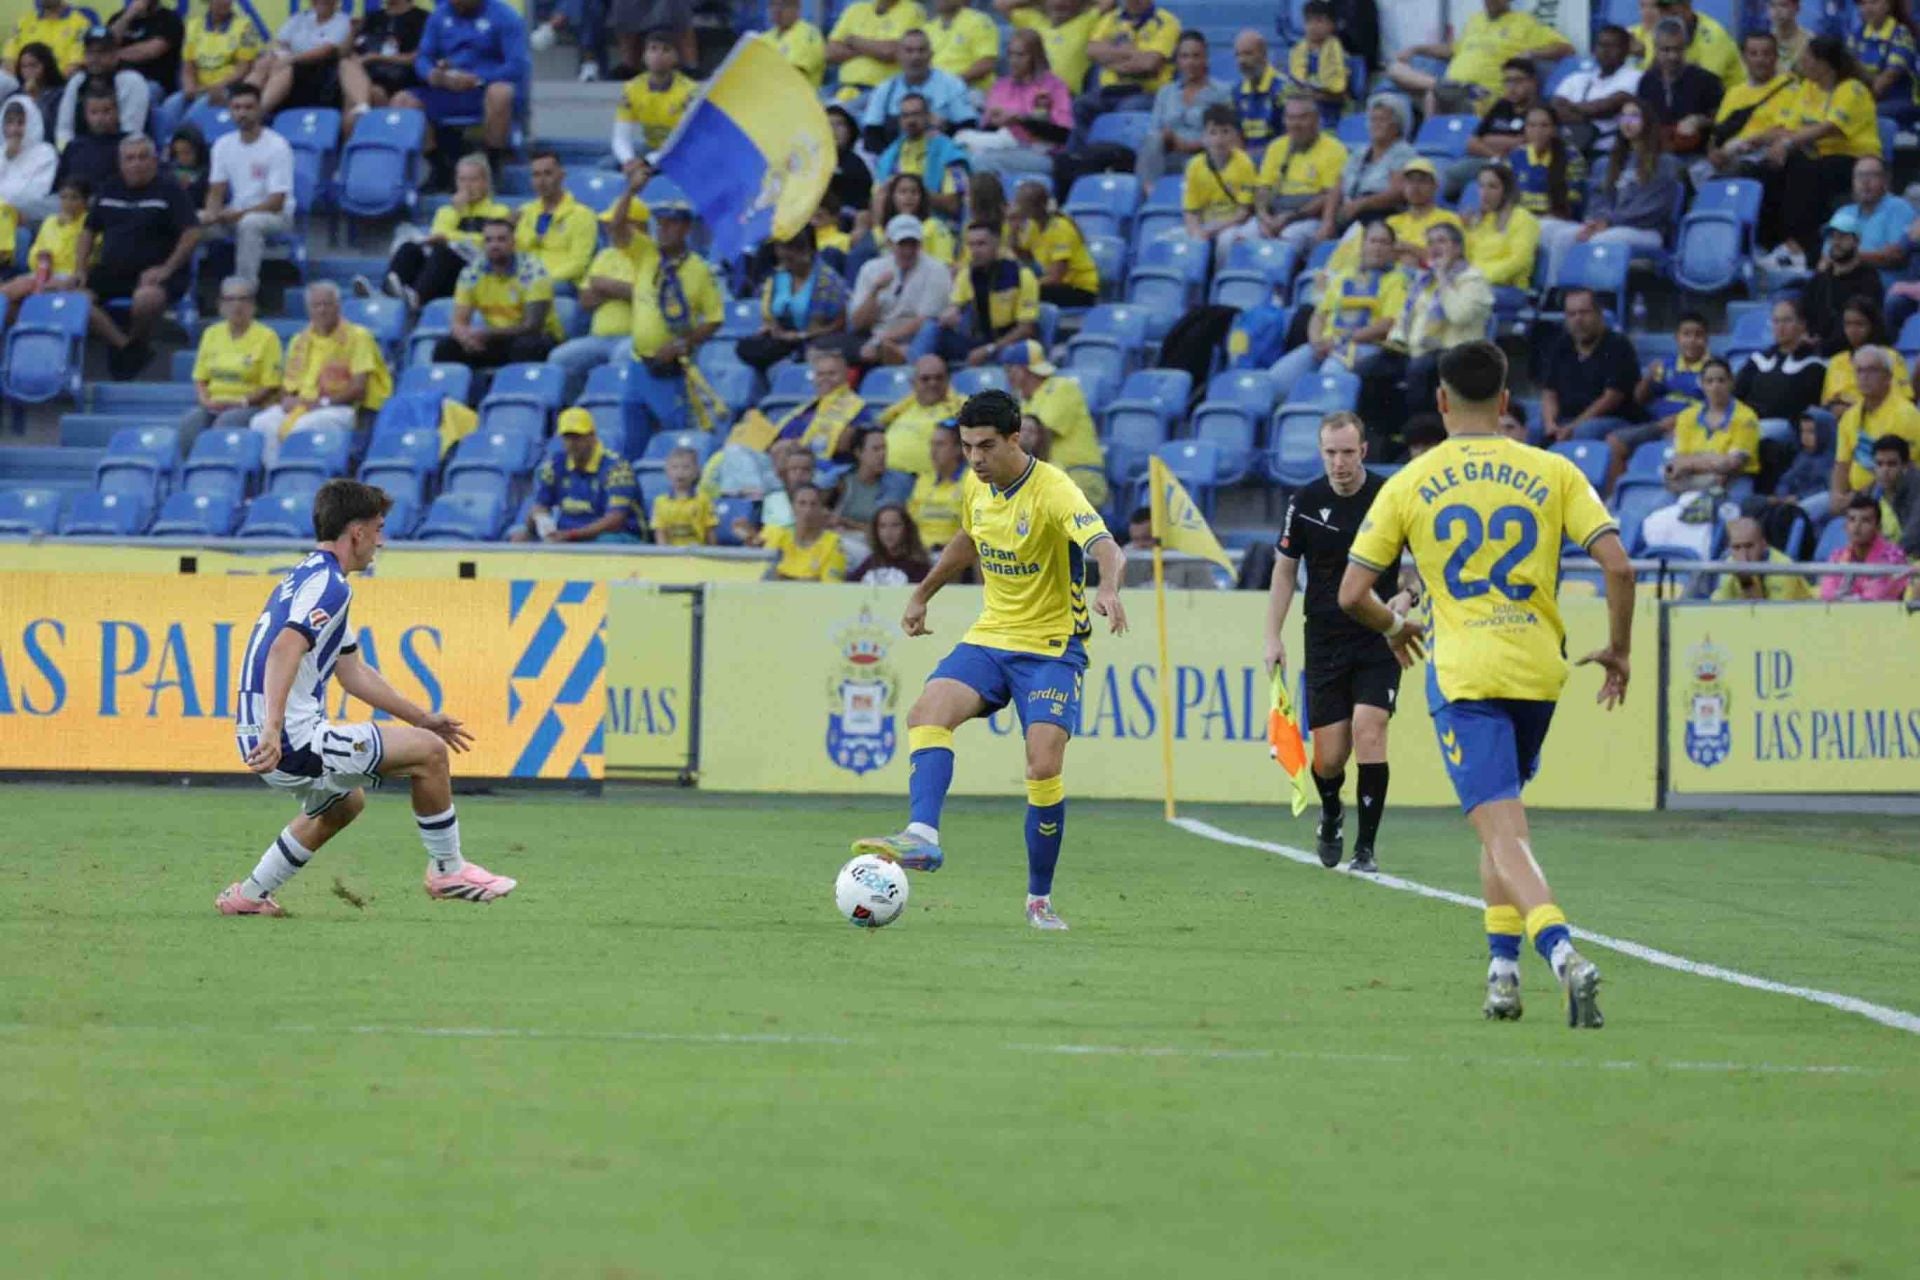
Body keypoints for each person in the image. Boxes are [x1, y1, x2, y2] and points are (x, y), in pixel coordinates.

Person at [1342, 339, 1631, 1027]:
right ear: (1506, 402)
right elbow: (1619, 567)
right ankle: (1502, 973)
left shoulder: (1410, 481)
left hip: (1466, 671)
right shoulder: (1553, 469)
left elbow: (1353, 591)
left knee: (1502, 832)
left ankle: (1563, 954)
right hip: (1539, 670)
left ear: (1441, 401)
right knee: (1505, 822)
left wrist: (1392, 626)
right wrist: (1619, 649)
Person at [852, 389, 1127, 932]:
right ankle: (923, 838)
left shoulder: (1054, 490)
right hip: (991, 637)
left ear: (1015, 438)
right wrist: (922, 593)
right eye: (966, 446)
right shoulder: (976, 488)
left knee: (1043, 765)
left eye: (985, 446)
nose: (974, 458)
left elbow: (1107, 547)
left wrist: (1110, 589)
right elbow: (967, 540)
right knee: (927, 712)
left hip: (1051, 647)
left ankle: (1038, 899)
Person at [220, 479, 517, 916]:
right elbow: (285, 646)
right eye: (378, 528)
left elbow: (353, 672)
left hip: (261, 738)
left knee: (345, 803)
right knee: (430, 755)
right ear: (356, 532)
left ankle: (250, 895)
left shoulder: (307, 577)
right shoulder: (331, 587)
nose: (382, 540)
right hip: (288, 742)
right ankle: (447, 870)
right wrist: (274, 726)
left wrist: (421, 717)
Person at [1264, 410, 1409, 873]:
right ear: (1321, 452)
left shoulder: (1391, 497)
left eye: (1348, 452)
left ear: (1363, 451)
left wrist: (1408, 595)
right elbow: (1285, 571)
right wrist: (1272, 636)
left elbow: (1420, 561)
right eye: (1331, 453)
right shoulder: (1304, 501)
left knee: (1371, 730)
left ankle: (1366, 850)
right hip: (1324, 638)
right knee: (1328, 759)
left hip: (1378, 634)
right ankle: (1331, 813)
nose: (1340, 462)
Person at [1354, 222, 1491, 452]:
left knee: (1420, 369)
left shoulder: (1473, 280)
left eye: (1442, 241)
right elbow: (1406, 318)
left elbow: (1458, 316)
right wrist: (1396, 341)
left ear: (1457, 248)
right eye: (1431, 242)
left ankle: (1417, 437)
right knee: (1369, 368)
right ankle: (1379, 442)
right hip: (1418, 351)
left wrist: (1444, 279)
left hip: (1459, 355)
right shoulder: (1424, 281)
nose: (1434, 247)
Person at [79, 132, 197, 378]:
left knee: (146, 299)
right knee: (76, 301)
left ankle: (134, 344)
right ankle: (127, 348)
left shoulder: (170, 190)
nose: (137, 163)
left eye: (143, 157)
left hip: (156, 273)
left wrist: (166, 269)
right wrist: (80, 269)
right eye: (130, 158)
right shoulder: (109, 188)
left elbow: (192, 234)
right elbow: (88, 231)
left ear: (154, 161)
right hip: (111, 272)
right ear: (121, 163)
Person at [1756, 37, 1879, 272]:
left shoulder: (1852, 89)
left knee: (1805, 171)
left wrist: (1789, 143)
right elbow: (1789, 127)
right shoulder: (1807, 88)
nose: (1801, 62)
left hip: (1856, 161)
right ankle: (1773, 243)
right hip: (1816, 156)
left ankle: (1801, 249)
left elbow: (1829, 127)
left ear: (1824, 64)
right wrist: (1780, 145)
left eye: (1807, 58)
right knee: (1770, 169)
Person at [1538, 99, 1680, 290]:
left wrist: (1608, 222)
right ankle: (1555, 296)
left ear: (1648, 121)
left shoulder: (1664, 163)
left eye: (1634, 116)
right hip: (1608, 226)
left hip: (1646, 230)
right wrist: (1595, 221)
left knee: (1600, 240)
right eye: (1623, 116)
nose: (1627, 121)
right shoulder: (1608, 163)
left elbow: (1651, 209)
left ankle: (1593, 297)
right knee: (1563, 237)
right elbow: (1598, 199)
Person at [249, 280, 391, 464]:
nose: (322, 310)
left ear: (338, 306)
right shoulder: (299, 340)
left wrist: (320, 403)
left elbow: (358, 389)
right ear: (308, 309)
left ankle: (302, 476)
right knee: (261, 422)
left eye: (327, 304)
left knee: (302, 427)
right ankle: (278, 475)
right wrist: (288, 401)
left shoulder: (358, 337)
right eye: (316, 305)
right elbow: (287, 385)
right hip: (304, 405)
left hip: (338, 408)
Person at [1268, 220, 1406, 402]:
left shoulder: (1397, 280)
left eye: (1384, 242)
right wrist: (1317, 342)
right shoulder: (1343, 276)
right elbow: (1319, 315)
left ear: (1392, 250)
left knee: (1329, 373)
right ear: (1363, 245)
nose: (1377, 247)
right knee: (1276, 380)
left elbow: (1387, 324)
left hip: (1366, 345)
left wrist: (1342, 340)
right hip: (1327, 344)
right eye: (1373, 241)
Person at [620, 192, 722, 437]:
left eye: (671, 223)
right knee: (633, 436)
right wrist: (630, 191)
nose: (663, 230)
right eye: (660, 223)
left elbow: (714, 318)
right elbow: (616, 228)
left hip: (671, 367)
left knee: (678, 434)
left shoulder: (699, 269)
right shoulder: (646, 253)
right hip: (638, 363)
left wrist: (682, 344)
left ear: (686, 227)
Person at [365, 153, 509, 311]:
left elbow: (487, 241)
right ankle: (386, 294)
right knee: (409, 248)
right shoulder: (447, 211)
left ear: (485, 183)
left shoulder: (499, 212)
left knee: (444, 252)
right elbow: (438, 233)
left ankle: (417, 296)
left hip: (471, 274)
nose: (467, 186)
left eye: (473, 180)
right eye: (462, 180)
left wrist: (450, 237)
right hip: (440, 272)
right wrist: (457, 211)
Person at [1385, 0, 1572, 117]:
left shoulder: (1524, 23)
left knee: (1432, 96)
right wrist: (1417, 49)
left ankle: (1440, 89)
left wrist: (1532, 53)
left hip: (1480, 96)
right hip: (1452, 88)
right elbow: (1452, 51)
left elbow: (1566, 48)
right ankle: (1439, 86)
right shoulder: (1475, 20)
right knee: (1395, 69)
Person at [405, 0, 528, 175]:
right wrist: (433, 75)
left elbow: (517, 65)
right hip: (446, 88)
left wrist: (478, 79)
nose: (457, 3)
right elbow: (423, 58)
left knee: (501, 93)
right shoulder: (439, 15)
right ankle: (438, 166)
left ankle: (493, 164)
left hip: (482, 89)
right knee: (403, 101)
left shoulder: (506, 16)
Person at [433, 218, 559, 373]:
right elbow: (459, 322)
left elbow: (532, 326)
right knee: (447, 347)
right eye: (489, 240)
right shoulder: (472, 273)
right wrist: (465, 338)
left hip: (537, 338)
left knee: (526, 346)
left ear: (513, 242)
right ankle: (452, 396)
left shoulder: (533, 271)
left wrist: (488, 333)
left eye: (501, 239)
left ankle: (515, 394)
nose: (494, 245)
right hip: (495, 338)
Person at [198, 83, 294, 286]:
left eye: (248, 107)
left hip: (276, 216)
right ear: (230, 110)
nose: (242, 113)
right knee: (191, 221)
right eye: (237, 107)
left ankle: (244, 288)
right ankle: (183, 290)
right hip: (237, 212)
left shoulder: (277, 145)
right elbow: (216, 190)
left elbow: (276, 202)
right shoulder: (223, 145)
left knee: (250, 224)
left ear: (259, 109)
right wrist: (211, 214)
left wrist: (239, 213)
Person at [914, 219, 1038, 366]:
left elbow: (1027, 329)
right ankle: (915, 376)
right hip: (977, 343)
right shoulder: (967, 275)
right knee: (931, 328)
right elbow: (955, 306)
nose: (975, 251)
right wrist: (949, 315)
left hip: (1008, 346)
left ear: (997, 244)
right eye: (971, 245)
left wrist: (990, 349)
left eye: (981, 244)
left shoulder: (1022, 276)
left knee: (1013, 353)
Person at [546, 209, 642, 398]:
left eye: (615, 224)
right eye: (608, 226)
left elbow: (648, 297)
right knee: (560, 358)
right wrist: (622, 290)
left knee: (622, 356)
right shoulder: (605, 255)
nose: (609, 230)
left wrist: (606, 286)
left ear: (637, 226)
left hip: (635, 337)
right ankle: (573, 414)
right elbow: (585, 300)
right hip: (598, 338)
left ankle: (614, 414)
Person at [1000, 338, 1105, 504]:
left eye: (1009, 369)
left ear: (1022, 370)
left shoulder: (1061, 387)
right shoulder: (1027, 402)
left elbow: (1037, 436)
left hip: (1079, 474)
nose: (1007, 376)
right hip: (1053, 477)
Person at [954, 28, 1071, 176]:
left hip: (1041, 153)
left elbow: (1062, 134)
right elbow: (988, 130)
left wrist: (1020, 119)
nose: (1014, 61)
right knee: (957, 152)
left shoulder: (1055, 86)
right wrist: (995, 121)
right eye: (1011, 55)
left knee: (981, 161)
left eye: (1021, 55)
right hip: (1002, 146)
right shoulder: (1000, 86)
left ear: (1036, 57)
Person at [180, 275, 282, 444]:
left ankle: (220, 468)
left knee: (226, 422)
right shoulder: (211, 334)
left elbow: (270, 386)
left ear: (252, 305)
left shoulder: (267, 337)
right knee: (190, 422)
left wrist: (240, 402)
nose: (236, 305)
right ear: (221, 305)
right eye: (230, 299)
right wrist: (206, 400)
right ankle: (192, 468)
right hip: (214, 403)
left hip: (249, 405)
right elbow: (201, 378)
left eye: (243, 299)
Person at [515, 408, 642, 543]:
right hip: (569, 534)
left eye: (577, 437)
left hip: (615, 536)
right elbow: (541, 504)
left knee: (608, 541)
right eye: (567, 437)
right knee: (518, 536)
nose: (571, 444)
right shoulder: (555, 464)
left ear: (592, 436)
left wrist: (572, 535)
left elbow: (615, 520)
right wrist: (539, 521)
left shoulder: (617, 468)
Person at [1829, 344, 1920, 523]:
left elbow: (1898, 471)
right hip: (1854, 499)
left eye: (1872, 371)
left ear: (1888, 377)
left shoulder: (1906, 415)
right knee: (1802, 513)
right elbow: (1841, 465)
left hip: (1895, 497)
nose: (1864, 377)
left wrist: (1855, 498)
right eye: (1860, 371)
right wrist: (1837, 496)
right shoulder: (1850, 416)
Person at [737, 227, 849, 373]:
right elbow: (773, 314)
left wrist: (801, 335)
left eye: (792, 251)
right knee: (746, 347)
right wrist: (773, 329)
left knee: (817, 348)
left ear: (809, 251)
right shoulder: (778, 277)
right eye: (780, 251)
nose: (785, 258)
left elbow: (840, 323)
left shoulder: (827, 281)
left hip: (815, 338)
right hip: (784, 339)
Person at [1328, 154, 1461, 274]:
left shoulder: (1449, 220)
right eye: (1410, 181)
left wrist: (1408, 248)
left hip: (1428, 281)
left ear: (1435, 186)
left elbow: (1451, 258)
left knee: (1408, 262)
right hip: (1387, 279)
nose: (1415, 186)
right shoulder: (1391, 222)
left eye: (1422, 180)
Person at [1541, 289, 1642, 445]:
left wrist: (1573, 426)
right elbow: (1549, 392)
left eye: (1584, 312)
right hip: (1567, 418)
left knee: (1584, 432)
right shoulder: (1561, 345)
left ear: (1599, 314)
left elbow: (1611, 399)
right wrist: (1550, 424)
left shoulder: (1618, 346)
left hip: (1612, 419)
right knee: (1534, 428)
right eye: (1571, 314)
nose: (1578, 319)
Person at [850, 213, 952, 366]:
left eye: (913, 244)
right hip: (875, 334)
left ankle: (904, 359)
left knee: (930, 329)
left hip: (915, 336)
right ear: (890, 243)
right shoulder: (871, 269)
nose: (908, 251)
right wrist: (874, 291)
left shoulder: (937, 270)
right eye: (902, 244)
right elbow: (858, 323)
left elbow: (923, 320)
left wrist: (881, 340)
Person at [1701, 29, 1800, 183]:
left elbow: (1788, 132)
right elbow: (1717, 132)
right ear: (1744, 58)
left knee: (1734, 173)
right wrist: (1715, 153)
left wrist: (1749, 142)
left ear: (1776, 57)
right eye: (1753, 54)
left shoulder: (1792, 89)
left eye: (1766, 54)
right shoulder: (1733, 92)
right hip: (1729, 154)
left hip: (1763, 156)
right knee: (1684, 177)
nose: (1760, 60)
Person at [1255, 92, 1348, 255]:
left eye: (1302, 118)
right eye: (1290, 118)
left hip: (1309, 218)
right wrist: (1264, 217)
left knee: (1288, 237)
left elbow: (1328, 196)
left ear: (1316, 119)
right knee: (1234, 238)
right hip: (1275, 214)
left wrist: (1288, 218)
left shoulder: (1334, 149)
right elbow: (1263, 189)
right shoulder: (1276, 147)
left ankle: (1281, 280)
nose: (1295, 124)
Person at [1073, 0, 1180, 136]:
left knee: (1127, 110)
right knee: (1082, 104)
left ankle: (1119, 155)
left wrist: (1110, 60)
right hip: (1110, 91)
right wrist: (1131, 53)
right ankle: (1081, 155)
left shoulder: (1167, 22)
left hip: (1146, 93)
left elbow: (1149, 64)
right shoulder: (1111, 18)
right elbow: (1092, 51)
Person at [1135, 30, 1227, 186]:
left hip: (1204, 157)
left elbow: (1226, 136)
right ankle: (1149, 196)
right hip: (1168, 157)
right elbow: (1155, 131)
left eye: (1196, 56)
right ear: (1177, 61)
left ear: (1205, 58)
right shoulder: (1165, 93)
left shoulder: (1222, 92)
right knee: (1152, 139)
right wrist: (1168, 140)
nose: (1190, 62)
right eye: (1184, 56)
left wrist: (1187, 144)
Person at [864, 26, 977, 148]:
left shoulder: (952, 84)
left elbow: (968, 128)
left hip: (941, 153)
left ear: (931, 55)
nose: (915, 57)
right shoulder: (885, 89)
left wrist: (946, 127)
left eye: (921, 50)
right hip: (895, 157)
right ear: (898, 55)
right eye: (909, 51)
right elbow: (871, 133)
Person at [1447, 56, 1539, 202]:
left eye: (1517, 80)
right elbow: (1472, 143)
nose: (1512, 86)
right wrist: (1496, 156)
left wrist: (1489, 140)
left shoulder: (1539, 110)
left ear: (1532, 82)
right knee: (1452, 173)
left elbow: (1525, 144)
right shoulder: (1501, 105)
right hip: (1491, 160)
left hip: (1518, 165)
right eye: (1507, 81)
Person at [1736, 297, 1828, 439]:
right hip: (1749, 424)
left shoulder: (1814, 366)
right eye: (1776, 321)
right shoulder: (1758, 360)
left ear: (1802, 325)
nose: (1780, 327)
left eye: (1787, 320)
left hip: (1787, 432)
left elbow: (1804, 409)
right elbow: (1736, 396)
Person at [869, 94, 970, 222]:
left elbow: (954, 205)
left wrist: (913, 192)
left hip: (938, 227)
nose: (911, 120)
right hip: (896, 229)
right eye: (905, 116)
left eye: (916, 114)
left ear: (928, 116)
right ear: (899, 120)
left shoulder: (949, 152)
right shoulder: (889, 157)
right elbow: (877, 203)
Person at [1329, 94, 1416, 243]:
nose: (1376, 124)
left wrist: (1361, 204)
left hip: (1380, 216)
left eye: (1382, 120)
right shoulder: (1359, 153)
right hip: (1348, 213)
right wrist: (1328, 222)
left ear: (1397, 126)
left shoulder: (1403, 152)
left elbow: (1397, 193)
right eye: (1373, 119)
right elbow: (1337, 189)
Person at [1, 173, 86, 320]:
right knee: (8, 298)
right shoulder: (50, 221)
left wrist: (69, 227)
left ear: (85, 201)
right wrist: (40, 258)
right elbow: (34, 254)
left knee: (24, 289)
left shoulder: (89, 223)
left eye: (74, 198)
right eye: (63, 197)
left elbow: (83, 256)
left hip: (69, 276)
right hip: (41, 273)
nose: (67, 203)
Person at [1638, 16, 1722, 159]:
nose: (1673, 56)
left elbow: (1723, 120)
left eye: (1678, 49)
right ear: (1655, 48)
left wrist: (1699, 120)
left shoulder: (1707, 80)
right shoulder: (1647, 82)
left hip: (1695, 156)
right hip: (1655, 154)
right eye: (1666, 50)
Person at [611, 30, 696, 171]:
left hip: (681, 153)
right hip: (650, 148)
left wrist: (647, 162)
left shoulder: (690, 92)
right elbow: (620, 136)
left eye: (666, 50)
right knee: (607, 165)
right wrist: (629, 161)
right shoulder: (632, 89)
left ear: (676, 58)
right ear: (644, 56)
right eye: (653, 49)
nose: (658, 55)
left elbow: (686, 142)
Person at [513, 149, 597, 290]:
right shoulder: (525, 212)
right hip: (525, 282)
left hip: (562, 284)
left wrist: (545, 281)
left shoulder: (583, 215)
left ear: (561, 176)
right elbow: (517, 251)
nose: (542, 181)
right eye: (536, 175)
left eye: (548, 173)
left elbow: (579, 263)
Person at [1800, 212, 1884, 353]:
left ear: (1856, 241)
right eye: (1832, 237)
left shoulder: (1869, 280)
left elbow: (1865, 327)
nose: (1836, 242)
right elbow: (1804, 314)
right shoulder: (1818, 280)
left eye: (1843, 236)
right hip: (1816, 354)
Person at [1550, 24, 1639, 156]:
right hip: (1572, 149)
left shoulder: (1634, 76)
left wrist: (1570, 107)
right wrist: (1586, 114)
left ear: (1625, 50)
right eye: (1601, 45)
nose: (1605, 50)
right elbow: (1555, 107)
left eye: (1611, 46)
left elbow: (1606, 107)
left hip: (1610, 152)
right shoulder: (1578, 78)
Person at [338, 0, 428, 131]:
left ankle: (367, 139)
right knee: (346, 66)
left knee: (371, 94)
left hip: (401, 79)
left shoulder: (422, 18)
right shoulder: (372, 17)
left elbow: (419, 57)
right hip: (368, 78)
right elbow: (344, 53)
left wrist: (376, 57)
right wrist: (352, 32)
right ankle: (361, 110)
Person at [247, 0, 348, 115]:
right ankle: (241, 102)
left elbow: (325, 51)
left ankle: (258, 112)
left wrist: (291, 59)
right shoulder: (300, 18)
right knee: (263, 64)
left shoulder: (342, 21)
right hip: (290, 60)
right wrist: (271, 55)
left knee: (285, 67)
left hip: (316, 69)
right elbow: (279, 43)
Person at [772, 344, 873, 459]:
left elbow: (848, 444)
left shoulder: (856, 406)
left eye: (832, 374)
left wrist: (794, 446)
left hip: (819, 467)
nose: (825, 378)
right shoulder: (807, 407)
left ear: (845, 375)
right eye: (820, 374)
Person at [1007, 179, 1097, 307]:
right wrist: (1013, 232)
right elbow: (1026, 257)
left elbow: (1055, 278)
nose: (1020, 209)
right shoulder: (1034, 225)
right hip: (1057, 286)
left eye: (1024, 205)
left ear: (1039, 206)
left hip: (1080, 289)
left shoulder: (1061, 228)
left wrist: (1025, 285)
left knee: (1023, 293)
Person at [54, 25, 147, 149]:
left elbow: (131, 133)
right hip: (80, 151)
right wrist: (68, 155)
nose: (95, 58)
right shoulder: (78, 81)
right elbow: (64, 129)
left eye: (102, 52)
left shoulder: (131, 81)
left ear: (115, 55)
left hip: (120, 153)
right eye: (90, 52)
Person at [1180, 103, 1258, 248]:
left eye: (1225, 132)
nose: (1219, 139)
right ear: (1204, 137)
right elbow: (1190, 211)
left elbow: (1243, 212)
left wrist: (1214, 229)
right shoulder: (1194, 165)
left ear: (1235, 135)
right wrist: (1195, 231)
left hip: (1233, 222)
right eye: (1213, 132)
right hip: (1206, 221)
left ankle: (1222, 271)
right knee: (1173, 240)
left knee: (1226, 240)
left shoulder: (1244, 163)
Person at [878, 353, 963, 478]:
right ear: (913, 383)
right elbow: (880, 421)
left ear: (948, 380)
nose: (933, 383)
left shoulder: (958, 406)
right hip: (882, 472)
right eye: (925, 379)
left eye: (939, 378)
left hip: (917, 478)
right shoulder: (905, 405)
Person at [741, 484, 849, 581]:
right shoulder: (775, 533)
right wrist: (748, 536)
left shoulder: (833, 543)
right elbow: (753, 548)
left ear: (821, 509)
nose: (808, 510)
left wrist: (782, 578)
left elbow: (829, 589)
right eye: (802, 503)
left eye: (813, 504)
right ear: (793, 508)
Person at [826, 0, 926, 104]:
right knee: (812, 108)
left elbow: (890, 51)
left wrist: (853, 41)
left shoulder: (912, 10)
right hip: (841, 87)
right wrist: (872, 49)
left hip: (878, 91)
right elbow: (829, 53)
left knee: (836, 114)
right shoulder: (855, 9)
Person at [1820, 297, 1908, 414]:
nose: (1852, 330)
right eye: (1848, 324)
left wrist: (1853, 410)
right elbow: (1827, 403)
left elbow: (1904, 400)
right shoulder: (1836, 361)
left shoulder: (1891, 357)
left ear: (1873, 325)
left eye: (1859, 324)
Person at [1464, 162, 1540, 296]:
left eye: (1492, 187)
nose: (1484, 193)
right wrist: (1465, 229)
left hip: (1511, 289)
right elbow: (1468, 256)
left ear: (1507, 190)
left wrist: (1481, 277)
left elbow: (1519, 261)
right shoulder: (1483, 220)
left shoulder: (1523, 219)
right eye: (1481, 186)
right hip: (1475, 283)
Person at [1628, 0, 1741, 89]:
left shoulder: (1713, 36)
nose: (1666, 15)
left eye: (1672, 11)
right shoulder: (1661, 30)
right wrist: (1640, 57)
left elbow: (1704, 84)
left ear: (1687, 6)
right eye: (1662, 9)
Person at [1820, 493, 1911, 600]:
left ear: (1878, 527)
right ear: (1845, 526)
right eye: (1852, 519)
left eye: (1865, 520)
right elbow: (1827, 594)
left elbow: (1877, 597)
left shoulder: (1894, 558)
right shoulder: (1837, 556)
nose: (1857, 526)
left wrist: (1843, 598)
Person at [1001, 0, 1096, 96]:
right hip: (1031, 94)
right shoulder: (1032, 21)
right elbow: (1001, 4)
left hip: (1067, 97)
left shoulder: (1086, 22)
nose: (1059, 3)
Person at [833, 426, 914, 534]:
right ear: (859, 453)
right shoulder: (842, 480)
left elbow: (891, 531)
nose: (883, 454)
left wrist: (848, 523)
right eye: (876, 449)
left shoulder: (901, 482)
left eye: (884, 448)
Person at [1713, 515, 1813, 600]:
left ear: (1763, 544)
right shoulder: (1729, 564)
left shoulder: (1782, 568)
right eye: (1736, 547)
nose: (1743, 554)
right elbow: (1719, 607)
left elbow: (1770, 618)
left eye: (1749, 546)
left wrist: (1746, 582)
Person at [179, 0, 260, 107]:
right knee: (172, 106)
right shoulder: (193, 26)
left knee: (197, 109)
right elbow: (188, 66)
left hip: (227, 90)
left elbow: (243, 69)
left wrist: (211, 88)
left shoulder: (245, 27)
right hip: (198, 89)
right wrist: (189, 87)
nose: (225, 2)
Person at [1636, 310, 1712, 420]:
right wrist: (1648, 377)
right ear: (1677, 338)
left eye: (1699, 335)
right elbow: (1640, 399)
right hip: (1656, 422)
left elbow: (1714, 409)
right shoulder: (1665, 365)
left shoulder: (1713, 369)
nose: (1692, 340)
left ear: (1707, 339)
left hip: (1689, 426)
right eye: (1686, 334)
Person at [1851, 0, 1919, 119]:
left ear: (1888, 5)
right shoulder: (1858, 34)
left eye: (1873, 2)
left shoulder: (1901, 34)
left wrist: (1857, 103)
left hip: (1901, 101)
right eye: (1863, 3)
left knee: (1862, 114)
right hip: (1868, 97)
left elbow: (1888, 77)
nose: (1868, 8)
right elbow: (1848, 71)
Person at [1282, 3, 1348, 124]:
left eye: (1319, 21)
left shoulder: (1340, 55)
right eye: (1309, 21)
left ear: (1332, 25)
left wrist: (1315, 95)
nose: (1313, 26)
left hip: (1331, 115)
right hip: (1300, 113)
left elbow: (1342, 94)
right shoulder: (1296, 53)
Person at [53, 84, 123, 193]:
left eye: (106, 111)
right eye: (94, 112)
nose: (100, 118)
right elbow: (59, 187)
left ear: (117, 112)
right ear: (85, 114)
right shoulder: (73, 147)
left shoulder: (127, 145)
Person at [909, 417, 967, 546]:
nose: (933, 451)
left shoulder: (973, 481)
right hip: (920, 554)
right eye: (932, 444)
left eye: (940, 444)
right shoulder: (923, 480)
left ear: (958, 449)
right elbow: (911, 522)